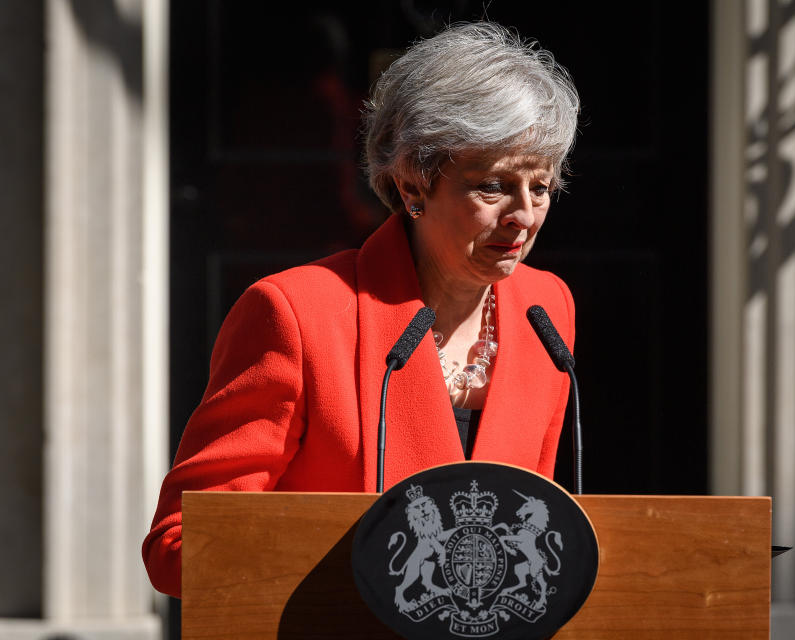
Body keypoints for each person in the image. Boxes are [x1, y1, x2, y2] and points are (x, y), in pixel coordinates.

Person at [143, 21, 580, 598]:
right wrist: (364, 574)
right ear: (412, 184)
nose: (524, 215)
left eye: (541, 188)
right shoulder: (296, 314)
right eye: (493, 187)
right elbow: (181, 544)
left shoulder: (545, 309)